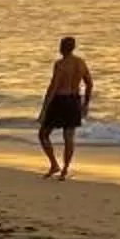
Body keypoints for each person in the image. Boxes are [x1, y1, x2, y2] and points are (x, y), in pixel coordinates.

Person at [37, 36, 94, 179]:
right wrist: (85, 103)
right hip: (74, 100)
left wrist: (44, 109)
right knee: (69, 137)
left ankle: (54, 164)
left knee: (43, 134)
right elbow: (89, 84)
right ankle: (64, 170)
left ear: (62, 47)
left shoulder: (60, 64)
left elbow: (53, 87)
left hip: (60, 100)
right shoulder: (81, 63)